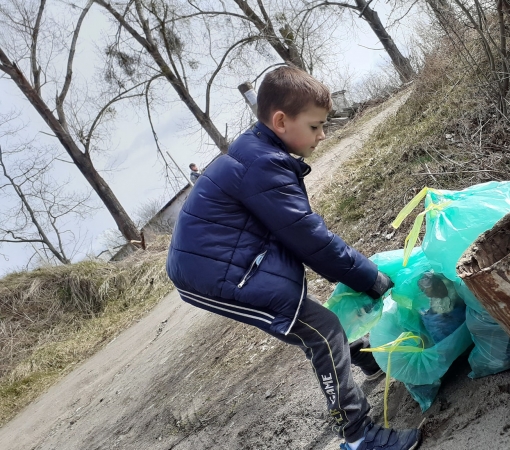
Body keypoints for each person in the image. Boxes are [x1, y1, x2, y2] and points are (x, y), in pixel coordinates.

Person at [165, 65, 421, 450]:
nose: (322, 135)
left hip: (233, 257)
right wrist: (370, 278)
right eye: (315, 126)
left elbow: (298, 233)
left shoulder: (261, 152)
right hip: (214, 273)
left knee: (311, 321)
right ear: (281, 121)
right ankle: (357, 435)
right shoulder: (263, 164)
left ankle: (366, 358)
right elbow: (311, 240)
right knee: (323, 330)